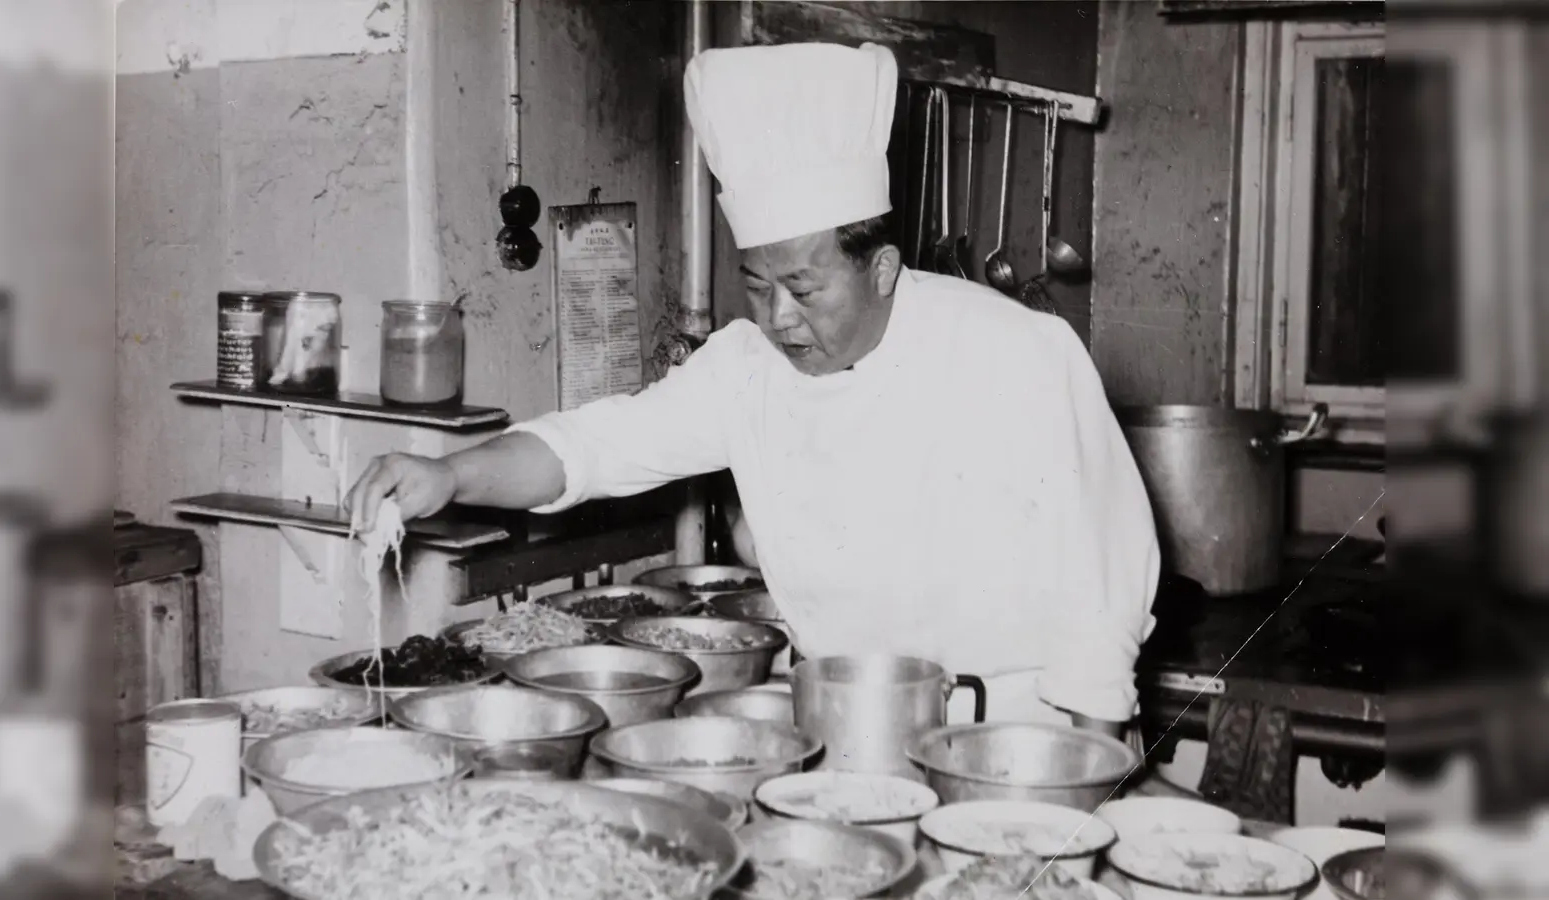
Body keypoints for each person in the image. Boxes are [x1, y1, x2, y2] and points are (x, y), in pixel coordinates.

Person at [347, 42, 1159, 739]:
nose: (778, 318)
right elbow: (595, 447)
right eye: (756, 285)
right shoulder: (745, 369)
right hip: (837, 730)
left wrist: (1084, 787)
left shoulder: (1014, 353)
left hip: (1009, 743)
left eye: (804, 289)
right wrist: (450, 475)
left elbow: (1102, 600)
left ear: (880, 268)